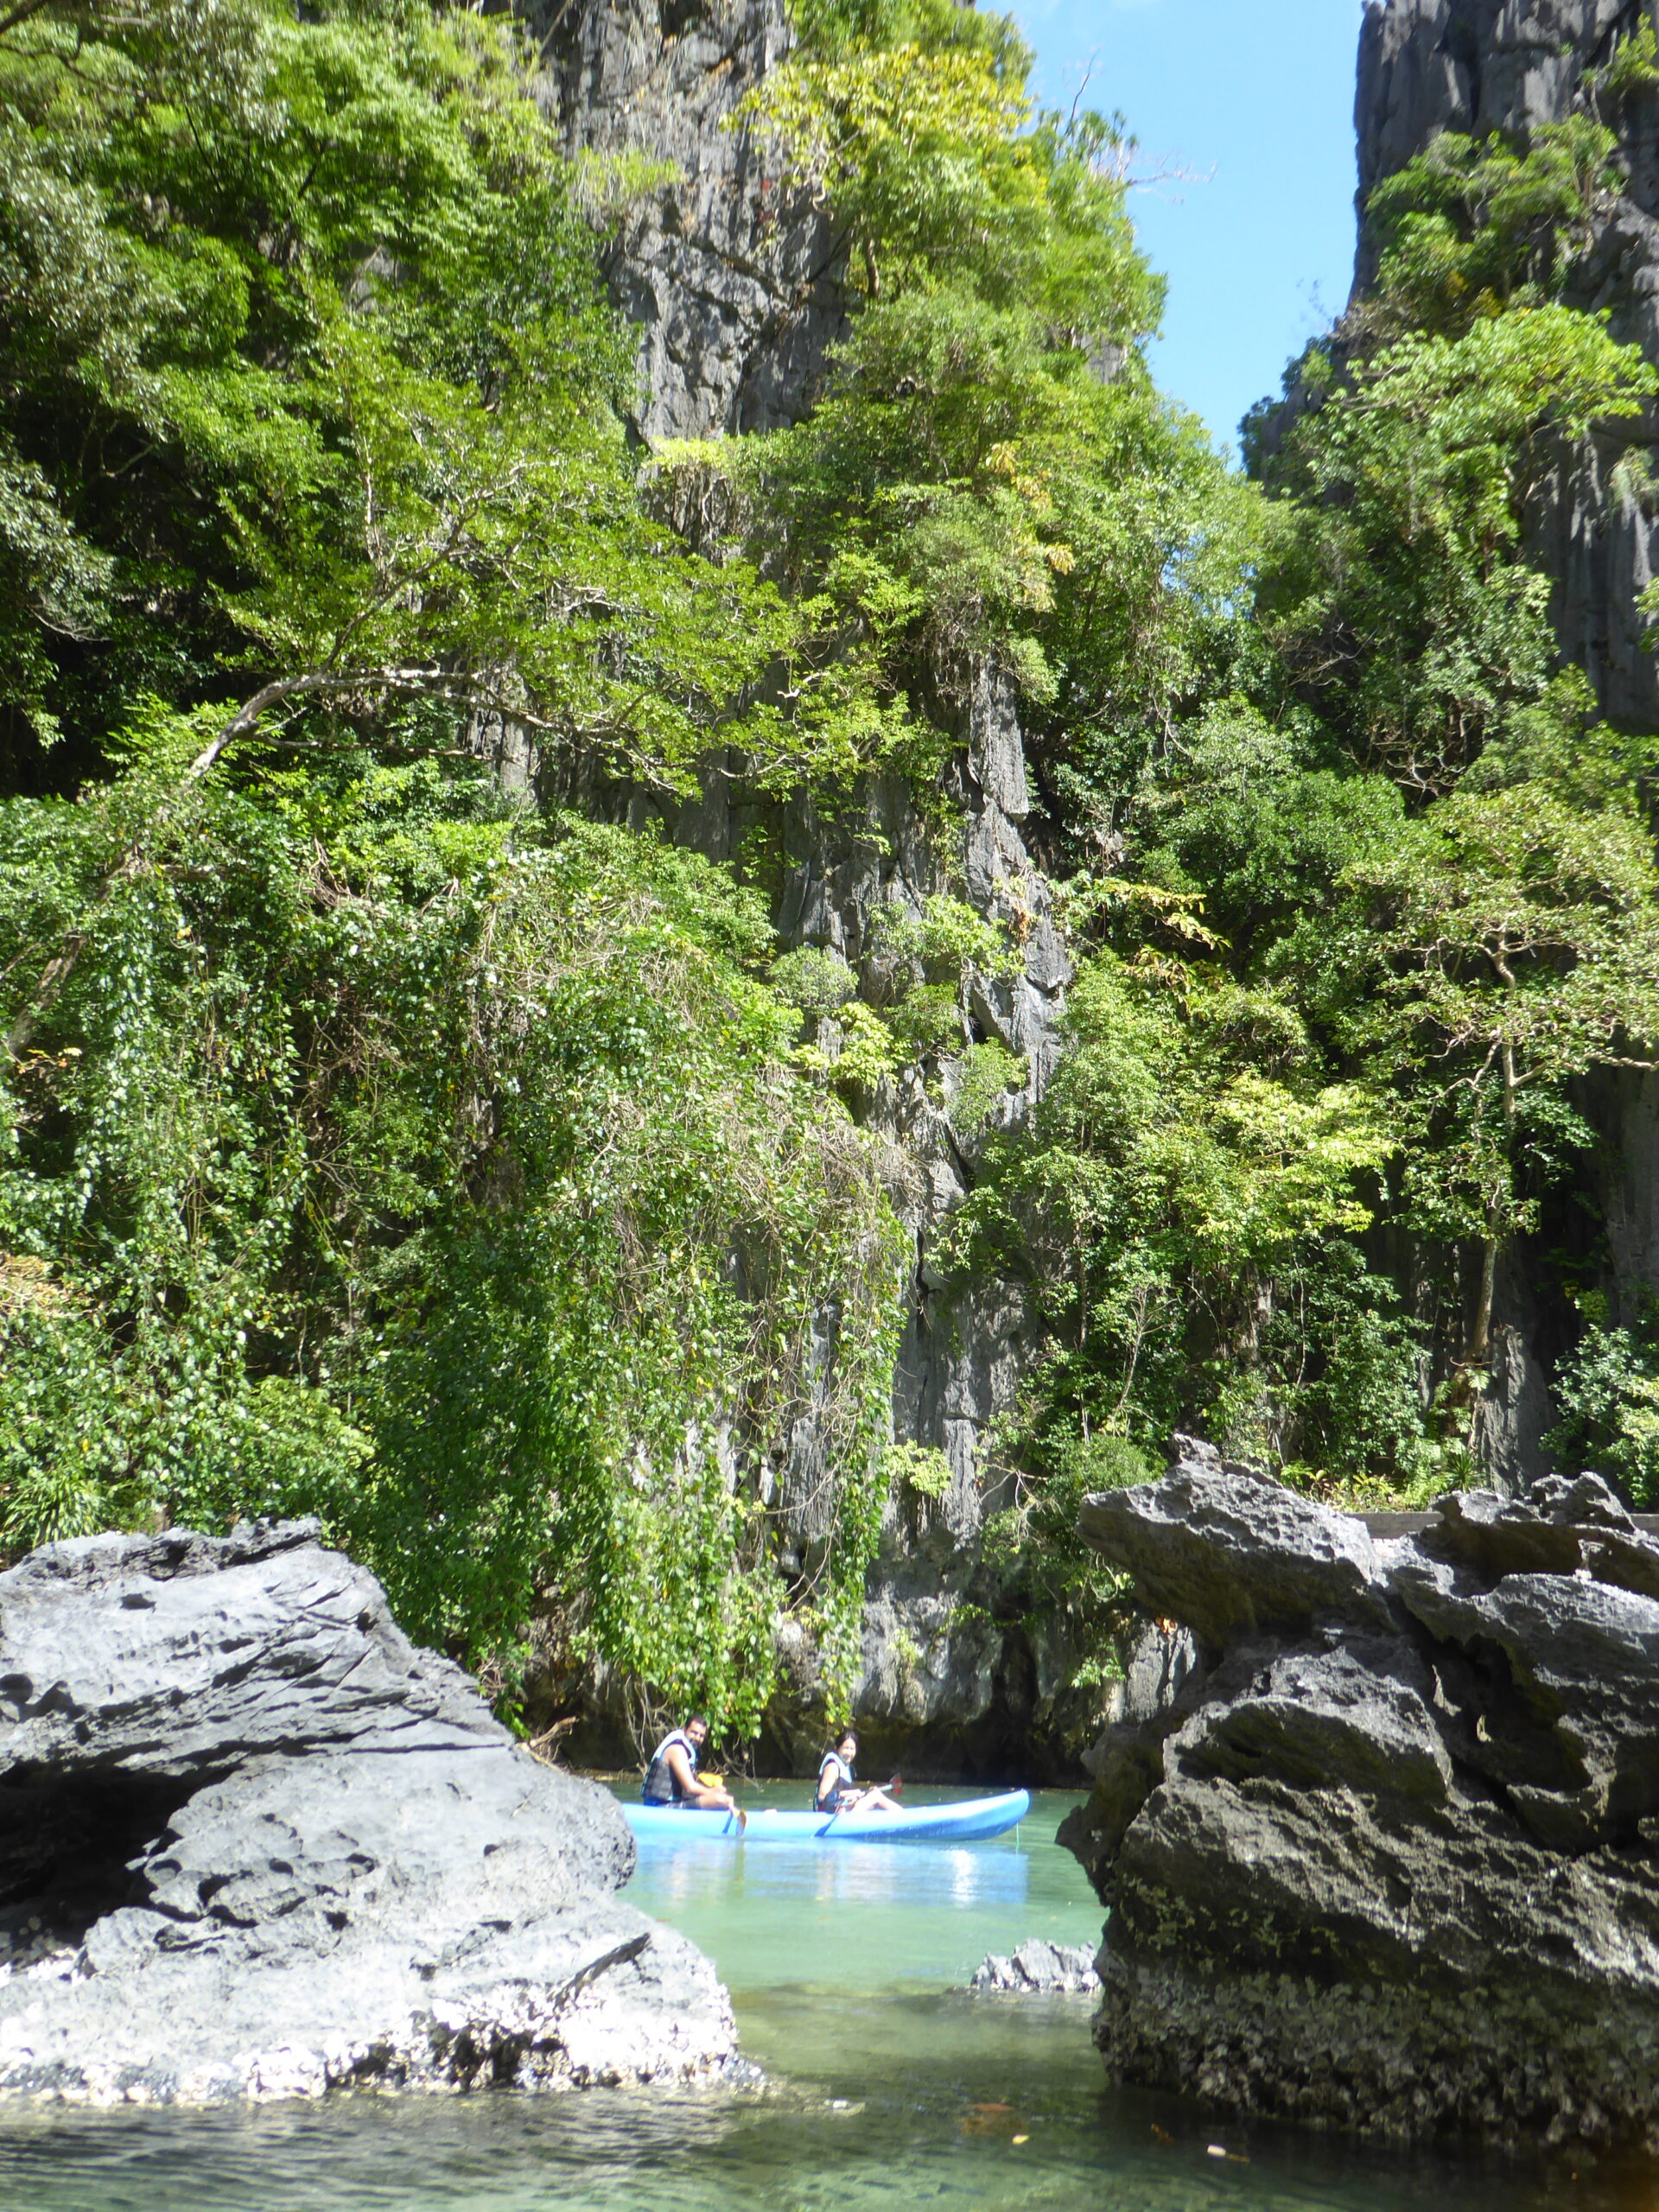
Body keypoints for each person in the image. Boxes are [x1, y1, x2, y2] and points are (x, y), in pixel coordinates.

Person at [642, 1714, 740, 1813]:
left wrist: (714, 1790)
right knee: (720, 1800)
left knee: (721, 1797)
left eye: (701, 1736)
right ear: (685, 1729)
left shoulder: (684, 1750)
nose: (697, 1738)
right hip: (659, 1806)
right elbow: (690, 1787)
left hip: (671, 1803)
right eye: (694, 1733)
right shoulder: (677, 1750)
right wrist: (712, 1792)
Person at [815, 1729, 899, 1816]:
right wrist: (852, 1793)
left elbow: (845, 1797)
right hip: (829, 1814)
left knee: (874, 1795)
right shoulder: (833, 1767)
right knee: (875, 1796)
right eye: (846, 1748)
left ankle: (901, 1815)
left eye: (852, 1749)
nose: (849, 1753)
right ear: (837, 1748)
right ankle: (902, 1817)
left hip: (842, 1809)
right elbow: (822, 1796)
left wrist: (864, 1793)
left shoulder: (844, 1766)